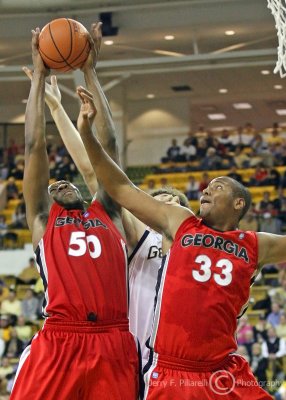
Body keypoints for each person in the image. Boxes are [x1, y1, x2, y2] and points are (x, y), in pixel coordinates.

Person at [75, 87, 286, 399]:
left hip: (222, 370)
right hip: (174, 371)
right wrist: (86, 133)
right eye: (207, 187)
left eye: (218, 187)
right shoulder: (181, 222)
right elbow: (119, 186)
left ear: (239, 204)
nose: (207, 190)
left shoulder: (256, 244)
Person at [22, 22, 190, 373]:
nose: (160, 208)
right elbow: (95, 163)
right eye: (154, 202)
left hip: (163, 355)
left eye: (171, 205)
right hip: (116, 342)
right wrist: (58, 107)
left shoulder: (192, 244)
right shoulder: (133, 233)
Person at [10, 28, 138, 400]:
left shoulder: (108, 211)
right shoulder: (42, 222)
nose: (60, 183)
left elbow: (109, 146)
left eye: (66, 181)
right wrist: (41, 73)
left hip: (113, 340)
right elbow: (34, 146)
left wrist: (90, 71)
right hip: (60, 339)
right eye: (53, 186)